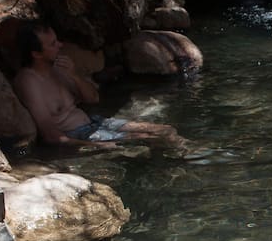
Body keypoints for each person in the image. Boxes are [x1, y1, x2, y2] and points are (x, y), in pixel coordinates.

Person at [13, 21, 181, 147]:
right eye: (53, 44)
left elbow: (93, 98)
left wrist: (74, 75)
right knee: (152, 139)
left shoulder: (58, 68)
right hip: (78, 134)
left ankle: (184, 153)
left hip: (94, 122)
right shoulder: (29, 82)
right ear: (36, 54)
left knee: (164, 130)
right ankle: (186, 158)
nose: (60, 45)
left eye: (57, 40)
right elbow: (50, 135)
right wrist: (96, 146)